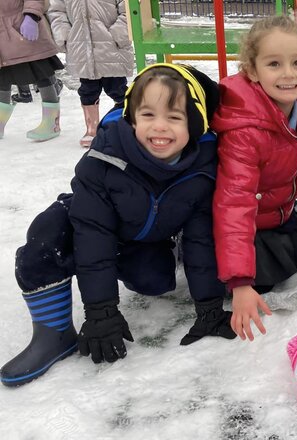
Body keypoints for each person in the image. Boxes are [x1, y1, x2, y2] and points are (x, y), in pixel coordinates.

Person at [0, 63, 233, 387]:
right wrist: (101, 311)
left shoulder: (201, 168)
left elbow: (201, 239)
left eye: (174, 117)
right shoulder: (104, 160)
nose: (159, 127)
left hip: (144, 236)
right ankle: (53, 333)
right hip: (90, 222)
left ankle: (166, 252)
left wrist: (209, 307)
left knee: (153, 281)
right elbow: (93, 237)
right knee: (46, 237)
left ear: (194, 124)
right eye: (148, 114)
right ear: (132, 117)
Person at [211, 16, 297, 343]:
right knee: (263, 278)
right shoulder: (245, 132)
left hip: (277, 210)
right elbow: (234, 204)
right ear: (252, 70)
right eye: (274, 64)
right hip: (247, 221)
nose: (289, 73)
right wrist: (240, 283)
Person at [48, 0, 135, 148]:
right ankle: (91, 129)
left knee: (117, 89)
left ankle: (128, 123)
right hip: (81, 45)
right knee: (88, 90)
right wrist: (64, 34)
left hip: (111, 47)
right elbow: (57, 11)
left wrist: (118, 34)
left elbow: (127, 9)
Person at [0, 0, 65, 141]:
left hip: (22, 29)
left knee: (41, 73)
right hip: (3, 38)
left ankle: (51, 124)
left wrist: (31, 15)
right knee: (2, 79)